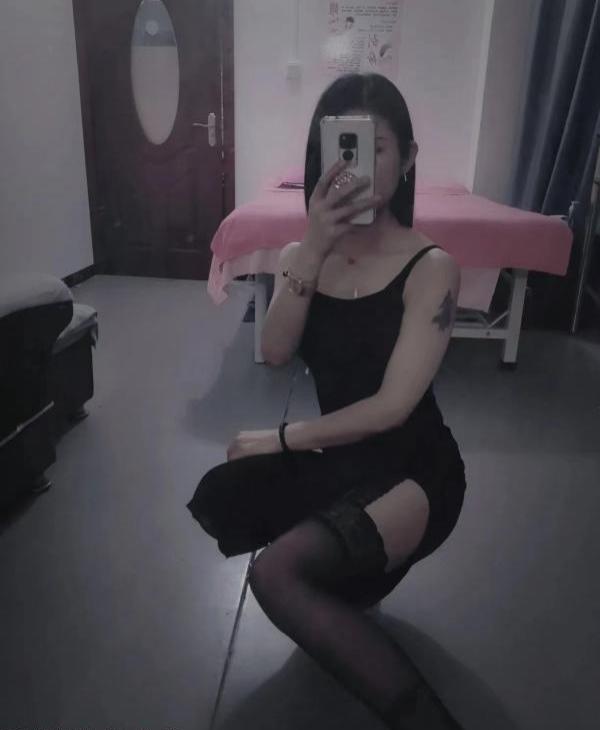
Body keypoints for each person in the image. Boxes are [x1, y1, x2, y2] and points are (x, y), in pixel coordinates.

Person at [187, 73, 466, 729]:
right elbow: (276, 350)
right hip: (342, 456)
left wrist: (281, 437)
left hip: (413, 469)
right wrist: (312, 246)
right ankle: (349, 569)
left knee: (275, 575)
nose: (354, 167)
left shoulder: (432, 267)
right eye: (340, 148)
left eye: (376, 149)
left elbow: (393, 408)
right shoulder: (299, 254)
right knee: (225, 492)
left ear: (408, 158)